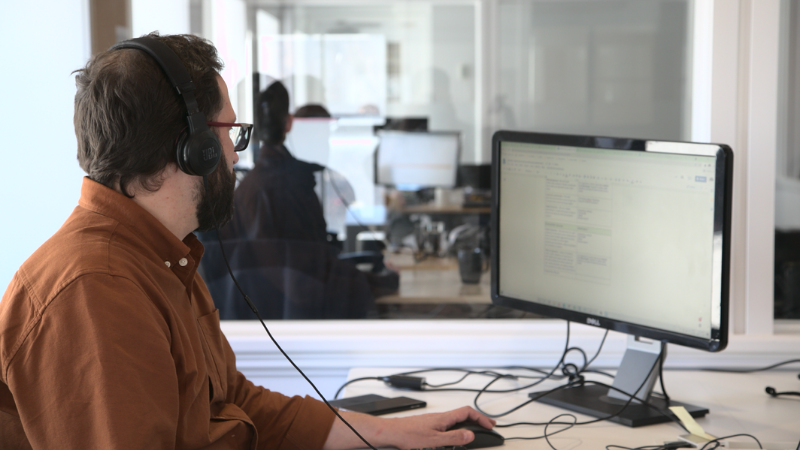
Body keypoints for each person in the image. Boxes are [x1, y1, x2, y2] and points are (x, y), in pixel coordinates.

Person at [0, 33, 494, 449]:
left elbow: (239, 404)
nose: (236, 158)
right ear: (189, 148)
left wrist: (388, 432)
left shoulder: (164, 255)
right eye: (231, 133)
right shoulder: (96, 292)